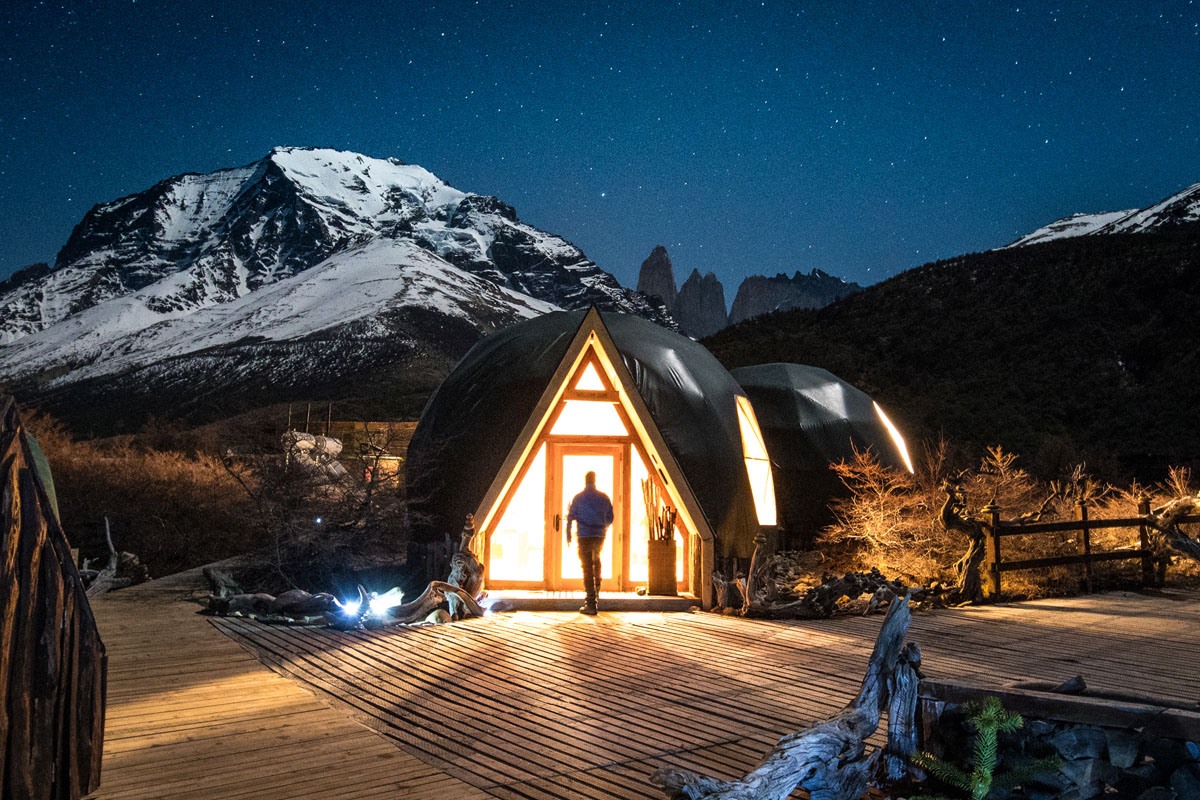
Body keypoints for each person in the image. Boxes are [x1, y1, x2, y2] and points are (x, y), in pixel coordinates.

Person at [566, 470, 614, 615]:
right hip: (599, 535)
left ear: (585, 481)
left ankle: (590, 602)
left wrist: (568, 534)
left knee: (586, 566)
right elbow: (610, 517)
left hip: (584, 535)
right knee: (597, 560)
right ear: (595, 480)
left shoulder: (578, 498)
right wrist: (602, 527)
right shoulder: (604, 498)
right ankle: (597, 588)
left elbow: (570, 517)